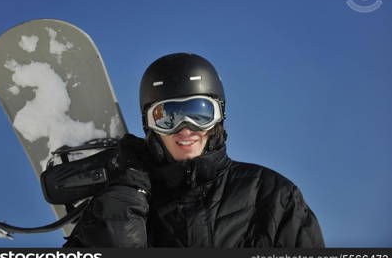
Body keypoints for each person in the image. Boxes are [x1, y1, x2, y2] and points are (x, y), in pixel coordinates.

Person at [63, 53, 325, 247]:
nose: (185, 129)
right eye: (167, 117)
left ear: (219, 117)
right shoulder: (130, 199)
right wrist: (120, 205)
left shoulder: (273, 195)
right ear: (149, 126)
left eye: (199, 113)